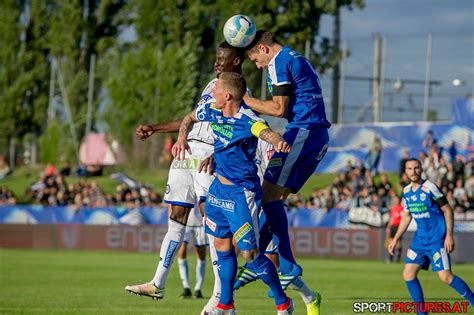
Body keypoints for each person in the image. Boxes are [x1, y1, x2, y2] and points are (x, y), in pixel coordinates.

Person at [125, 42, 246, 308]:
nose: (216, 63)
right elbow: (190, 119)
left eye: (221, 59)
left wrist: (221, 153)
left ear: (235, 62)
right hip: (185, 155)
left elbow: (244, 131)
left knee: (214, 224)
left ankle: (219, 295)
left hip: (208, 160)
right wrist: (155, 128)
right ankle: (157, 283)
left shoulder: (239, 94)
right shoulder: (210, 88)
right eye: (215, 58)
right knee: (175, 219)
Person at [173, 72, 294, 314]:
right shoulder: (211, 109)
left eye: (215, 88)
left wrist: (277, 141)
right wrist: (181, 137)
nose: (212, 91)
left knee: (249, 254)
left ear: (226, 96)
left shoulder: (247, 119)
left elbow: (264, 131)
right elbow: (188, 118)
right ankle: (226, 305)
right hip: (217, 190)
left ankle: (284, 302)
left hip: (242, 194)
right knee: (221, 245)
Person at [236, 30, 328, 311]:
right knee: (273, 198)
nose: (258, 66)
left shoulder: (279, 61)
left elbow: (277, 108)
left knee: (268, 197)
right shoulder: (294, 56)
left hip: (303, 132)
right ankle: (257, 260)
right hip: (312, 134)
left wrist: (245, 100)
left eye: (255, 59)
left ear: (263, 48)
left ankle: (287, 265)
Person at [388, 159, 474, 314]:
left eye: (416, 168)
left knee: (445, 277)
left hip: (437, 240)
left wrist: (449, 235)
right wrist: (395, 239)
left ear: (421, 169)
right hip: (420, 240)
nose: (413, 172)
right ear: (405, 171)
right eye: (409, 169)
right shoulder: (406, 192)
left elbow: (448, 210)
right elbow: (406, 216)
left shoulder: (430, 188)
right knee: (408, 274)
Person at [176, 204, 208, 299]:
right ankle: (186, 287)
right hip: (184, 223)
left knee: (201, 255)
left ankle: (198, 289)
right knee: (181, 251)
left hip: (200, 224)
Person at [385, 195, 403, 263]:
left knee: (398, 243)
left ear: (399, 201)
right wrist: (388, 227)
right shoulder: (393, 208)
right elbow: (391, 219)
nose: (395, 201)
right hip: (393, 227)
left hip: (399, 227)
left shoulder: (402, 208)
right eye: (394, 200)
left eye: (396, 200)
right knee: (391, 242)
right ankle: (390, 258)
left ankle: (398, 258)